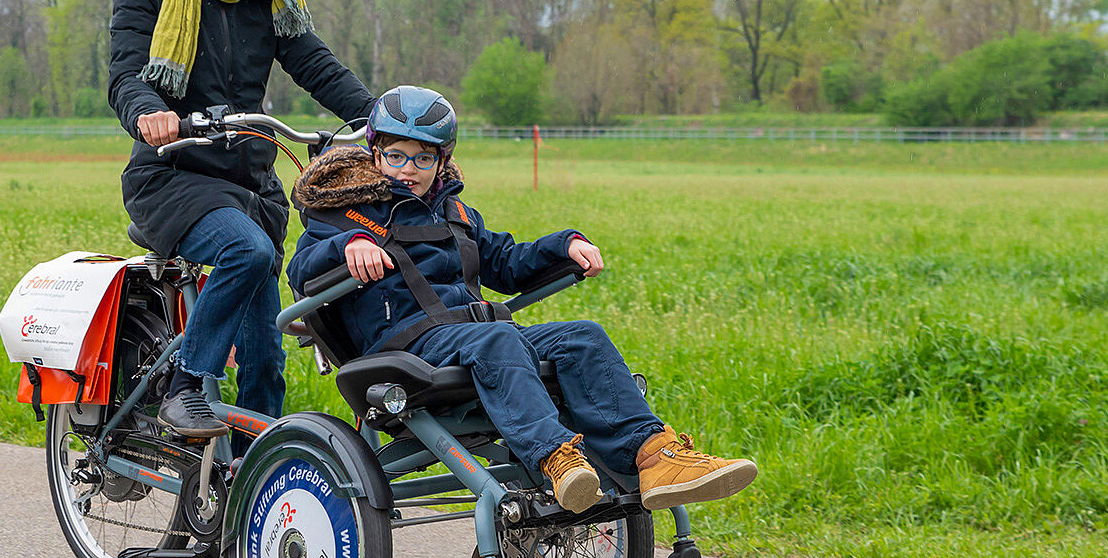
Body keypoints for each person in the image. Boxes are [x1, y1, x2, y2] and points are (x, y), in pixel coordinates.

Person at [287, 86, 757, 513]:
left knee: (582, 338)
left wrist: (564, 245)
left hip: (476, 337)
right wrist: (348, 247)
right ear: (375, 153)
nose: (408, 169)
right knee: (496, 340)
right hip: (405, 348)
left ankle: (655, 457)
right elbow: (300, 268)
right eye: (395, 156)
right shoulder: (345, 214)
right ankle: (557, 458)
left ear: (442, 162)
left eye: (423, 159)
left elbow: (508, 263)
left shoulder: (458, 215)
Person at [108, 0, 374, 439]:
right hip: (172, 176)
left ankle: (249, 500)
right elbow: (124, 74)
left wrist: (380, 118)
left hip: (251, 184)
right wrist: (151, 111)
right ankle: (184, 384)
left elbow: (314, 63)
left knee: (266, 362)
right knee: (247, 252)